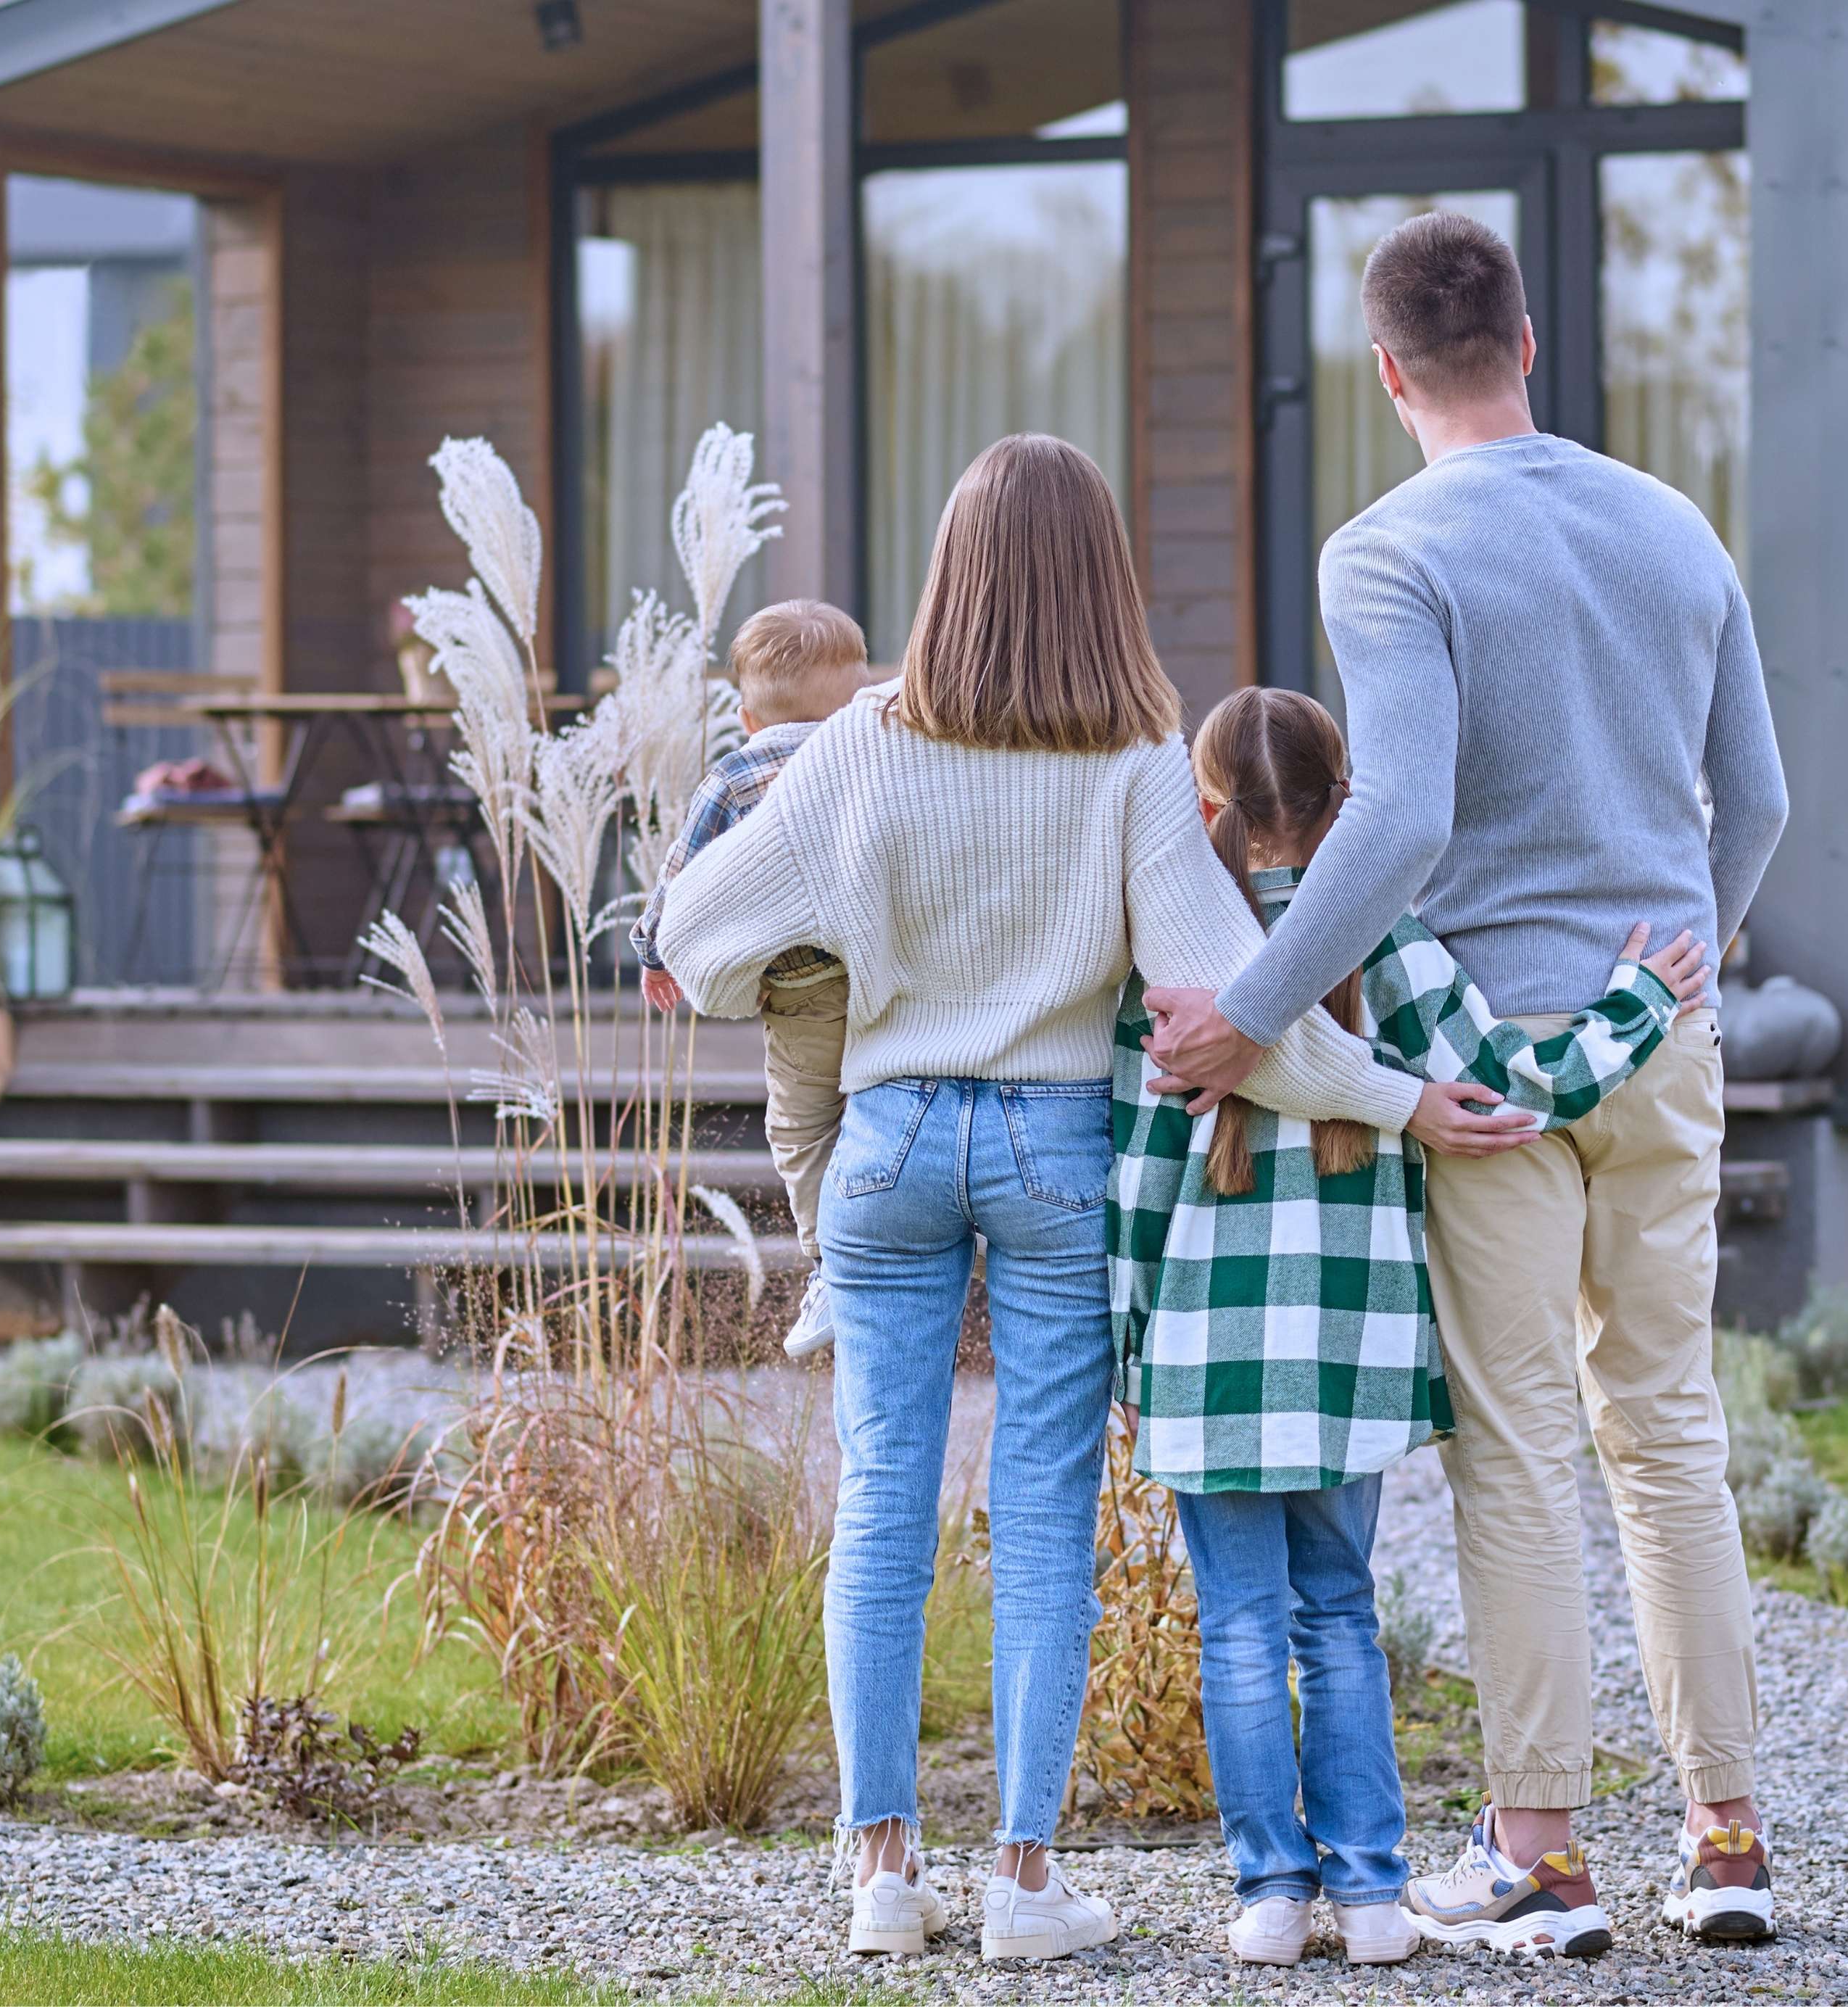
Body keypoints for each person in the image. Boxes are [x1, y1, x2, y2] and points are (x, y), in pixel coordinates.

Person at [652, 435, 1538, 1963]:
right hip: (1059, 1151)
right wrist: (1404, 1099)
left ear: (950, 575)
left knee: (881, 1499)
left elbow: (692, 932)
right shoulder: (1136, 763)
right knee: (1046, 1513)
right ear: (1102, 582)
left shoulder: (859, 741)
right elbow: (1233, 1013)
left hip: (885, 1138)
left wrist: (820, 972)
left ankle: (880, 1872)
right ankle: (1021, 1883)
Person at [1142, 211, 1793, 1955]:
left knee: (1515, 1454)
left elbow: (1403, 815)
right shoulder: (1673, 525)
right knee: (1667, 1433)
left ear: (1381, 371)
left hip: (1486, 1068)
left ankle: (1543, 1856)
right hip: (1659, 1035)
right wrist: (1679, 980)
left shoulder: (1386, 550)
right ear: (1522, 339)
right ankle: (1724, 1837)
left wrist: (1248, 1008)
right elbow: (1764, 799)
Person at [1110, 686, 1704, 1969]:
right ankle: (1376, 1894)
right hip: (1354, 1351)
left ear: (1204, 807)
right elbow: (1518, 1085)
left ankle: (1272, 1895)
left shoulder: (1173, 958)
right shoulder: (1389, 941)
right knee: (1339, 1612)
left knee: (1240, 1627)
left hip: (1207, 1360)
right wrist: (1638, 1000)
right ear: (1350, 809)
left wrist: (1131, 1344)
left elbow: (1138, 1173)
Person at [634, 598, 874, 1359]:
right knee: (877, 1111)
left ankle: (834, 1263)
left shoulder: (734, 777)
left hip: (802, 991)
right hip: (889, 974)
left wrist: (652, 950)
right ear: (859, 694)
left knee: (803, 1128)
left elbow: (680, 877)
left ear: (746, 716)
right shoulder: (876, 755)